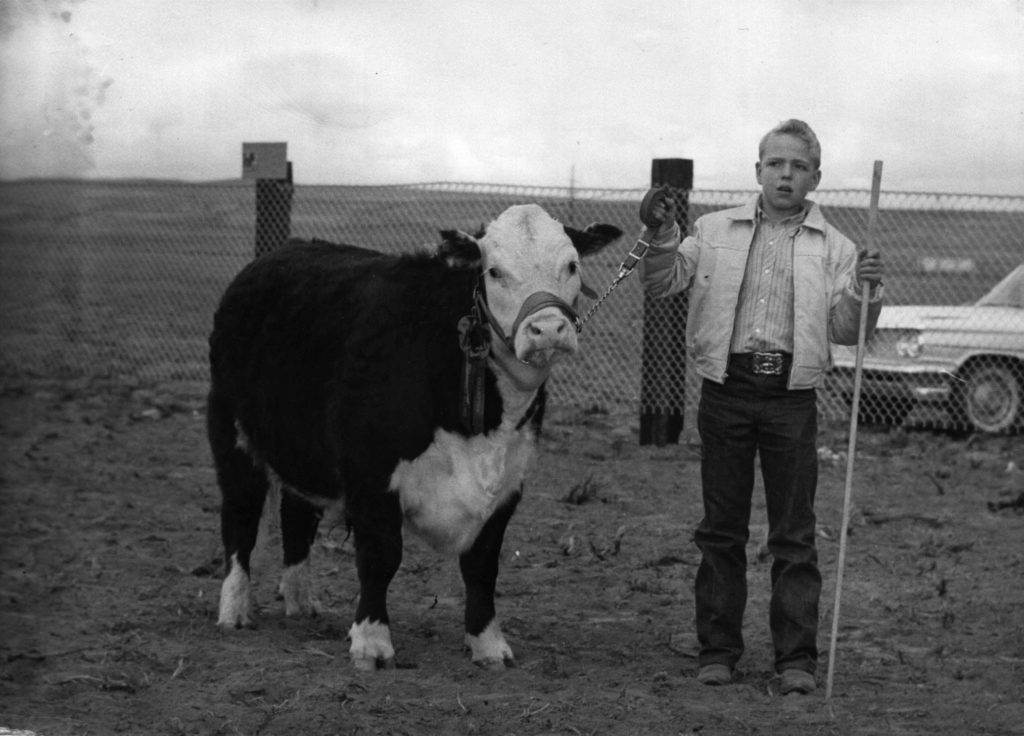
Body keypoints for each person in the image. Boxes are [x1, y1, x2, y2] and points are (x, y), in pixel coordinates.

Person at [638, 119, 884, 695]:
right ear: (757, 171)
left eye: (798, 167)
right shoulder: (712, 230)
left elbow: (848, 331)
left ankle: (795, 660)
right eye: (775, 164)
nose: (785, 174)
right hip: (726, 390)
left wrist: (865, 290)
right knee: (721, 529)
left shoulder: (839, 249)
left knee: (794, 535)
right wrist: (658, 235)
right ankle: (718, 650)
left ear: (815, 179)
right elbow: (663, 282)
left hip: (792, 400)